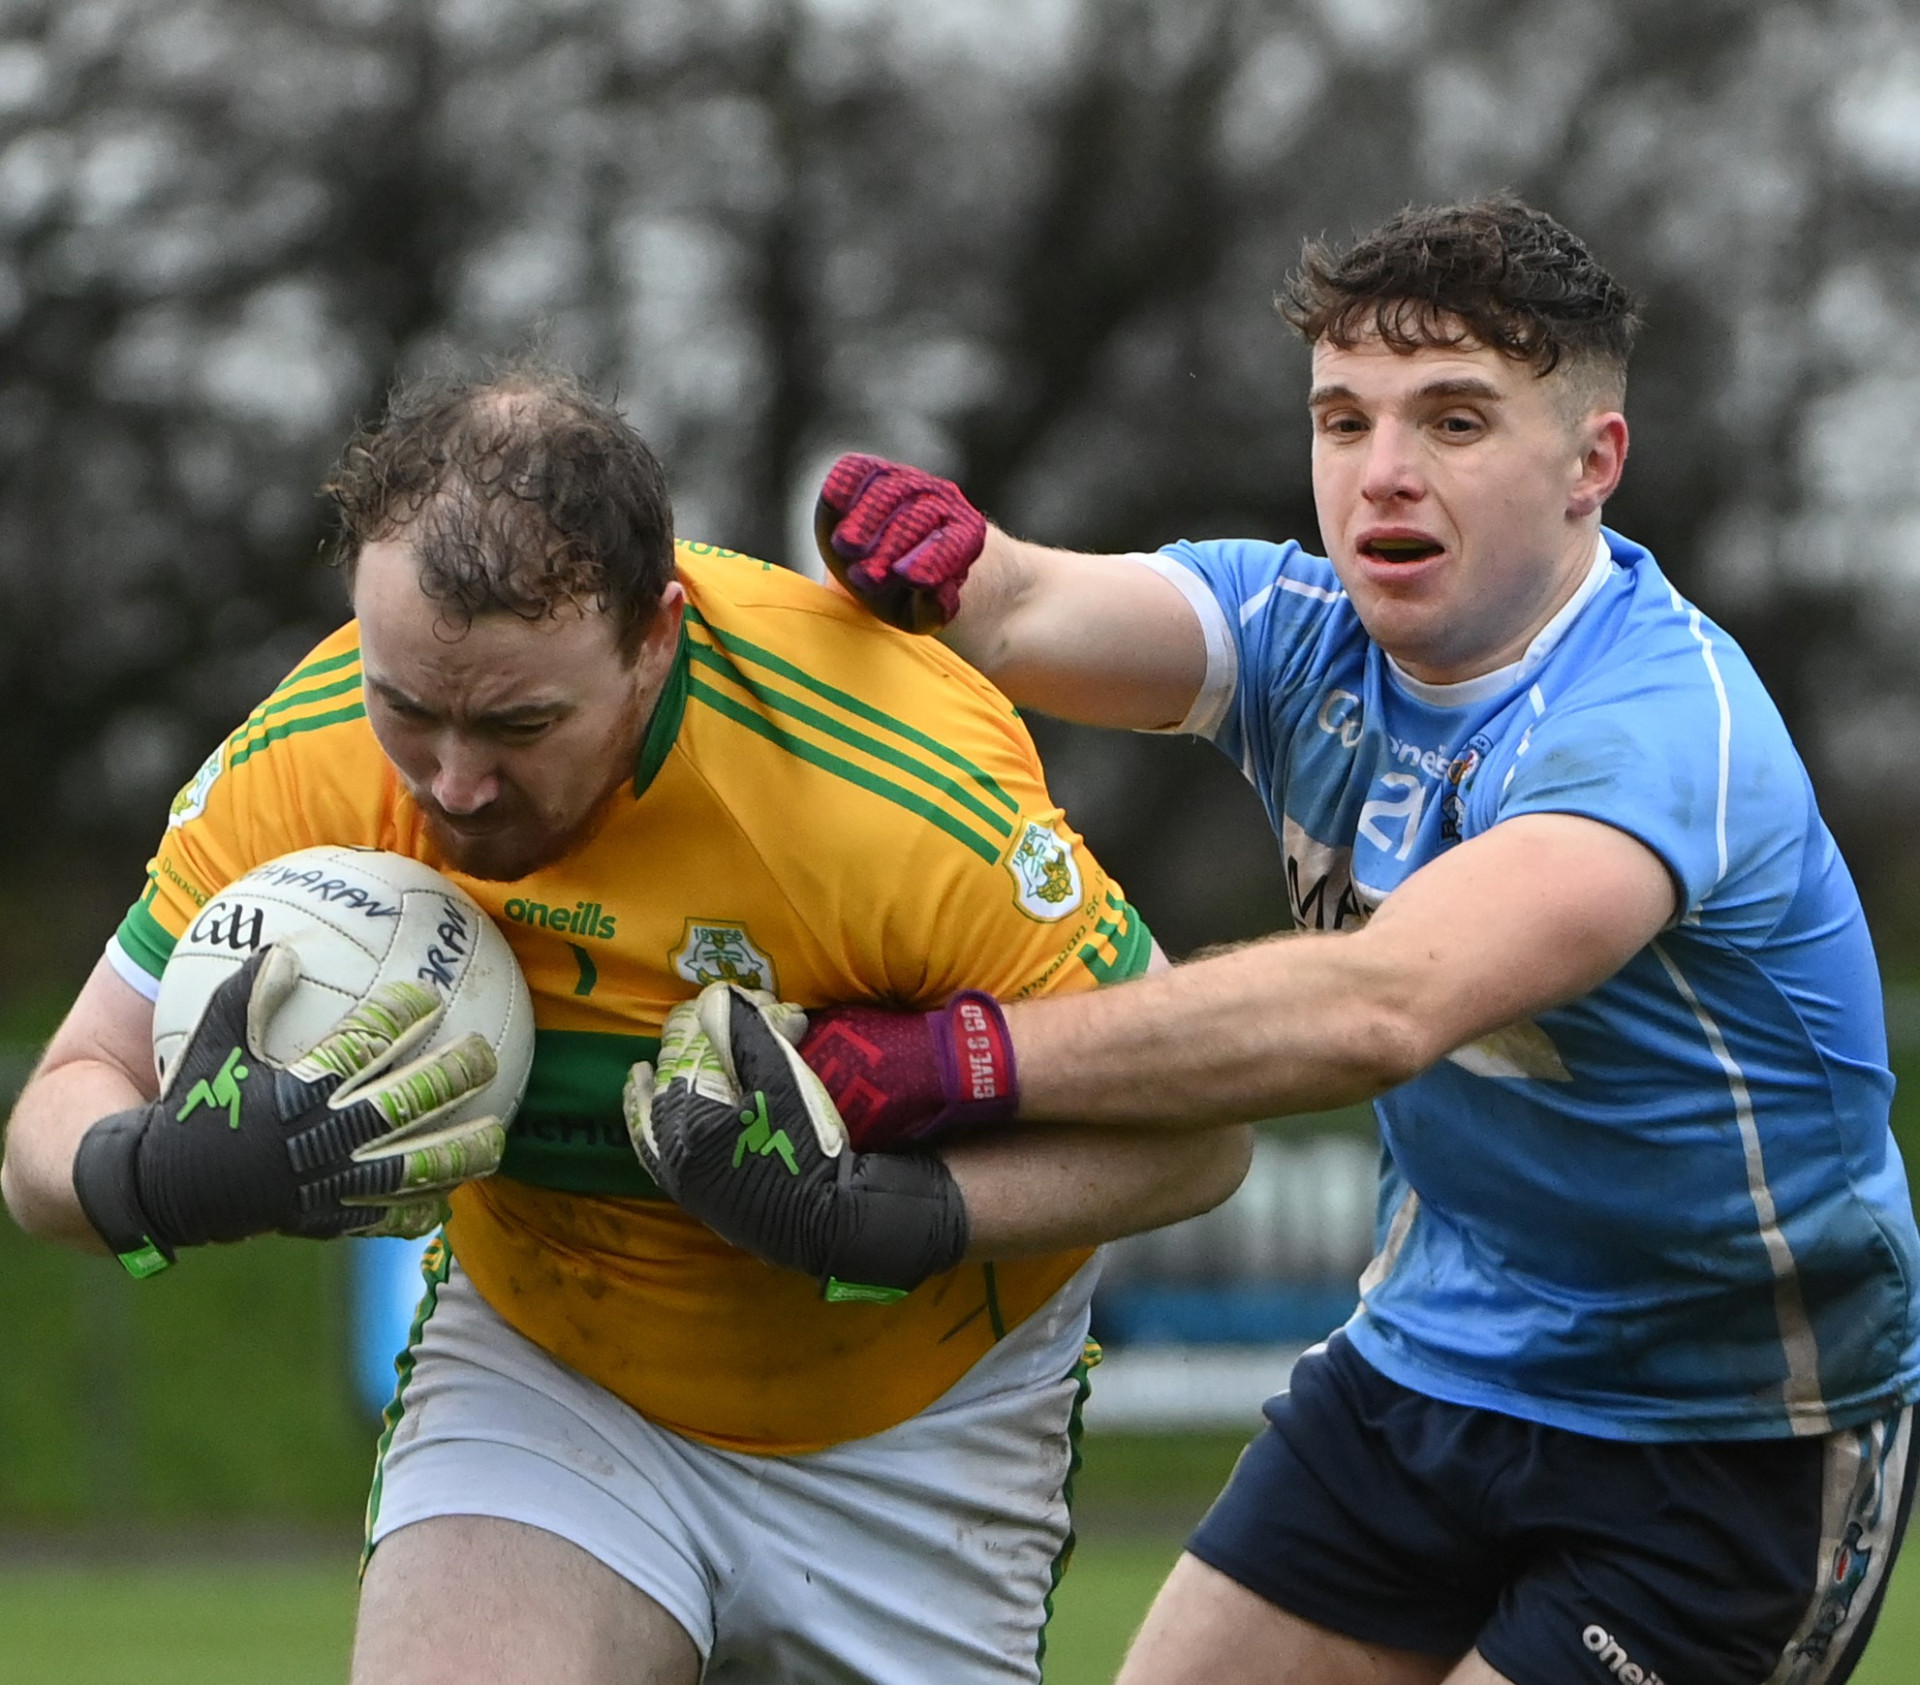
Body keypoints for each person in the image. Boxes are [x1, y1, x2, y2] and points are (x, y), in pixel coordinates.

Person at [651, 199, 1920, 1685]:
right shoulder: (1306, 631)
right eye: (1343, 418)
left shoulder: (1655, 727)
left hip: (1722, 1444)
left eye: (1455, 421)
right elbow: (1035, 603)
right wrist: (949, 567)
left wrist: (960, 1060)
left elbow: (1383, 1004)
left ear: (1594, 466)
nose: (1383, 472)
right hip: (1424, 1373)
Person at [0, 367, 1254, 1685]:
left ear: (657, 636)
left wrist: (900, 1212)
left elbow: (1199, 1135)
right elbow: (58, 1109)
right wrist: (152, 1169)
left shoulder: (883, 781)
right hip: (554, 1375)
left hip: (916, 1424)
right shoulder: (314, 754)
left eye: (521, 722)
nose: (453, 782)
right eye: (408, 710)